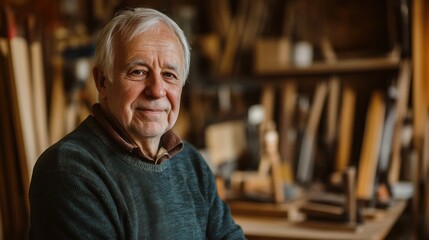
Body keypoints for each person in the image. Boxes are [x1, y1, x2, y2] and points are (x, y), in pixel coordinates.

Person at [29, 7, 245, 239]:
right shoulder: (71, 172)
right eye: (138, 72)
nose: (157, 90)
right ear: (102, 82)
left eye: (169, 75)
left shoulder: (191, 163)